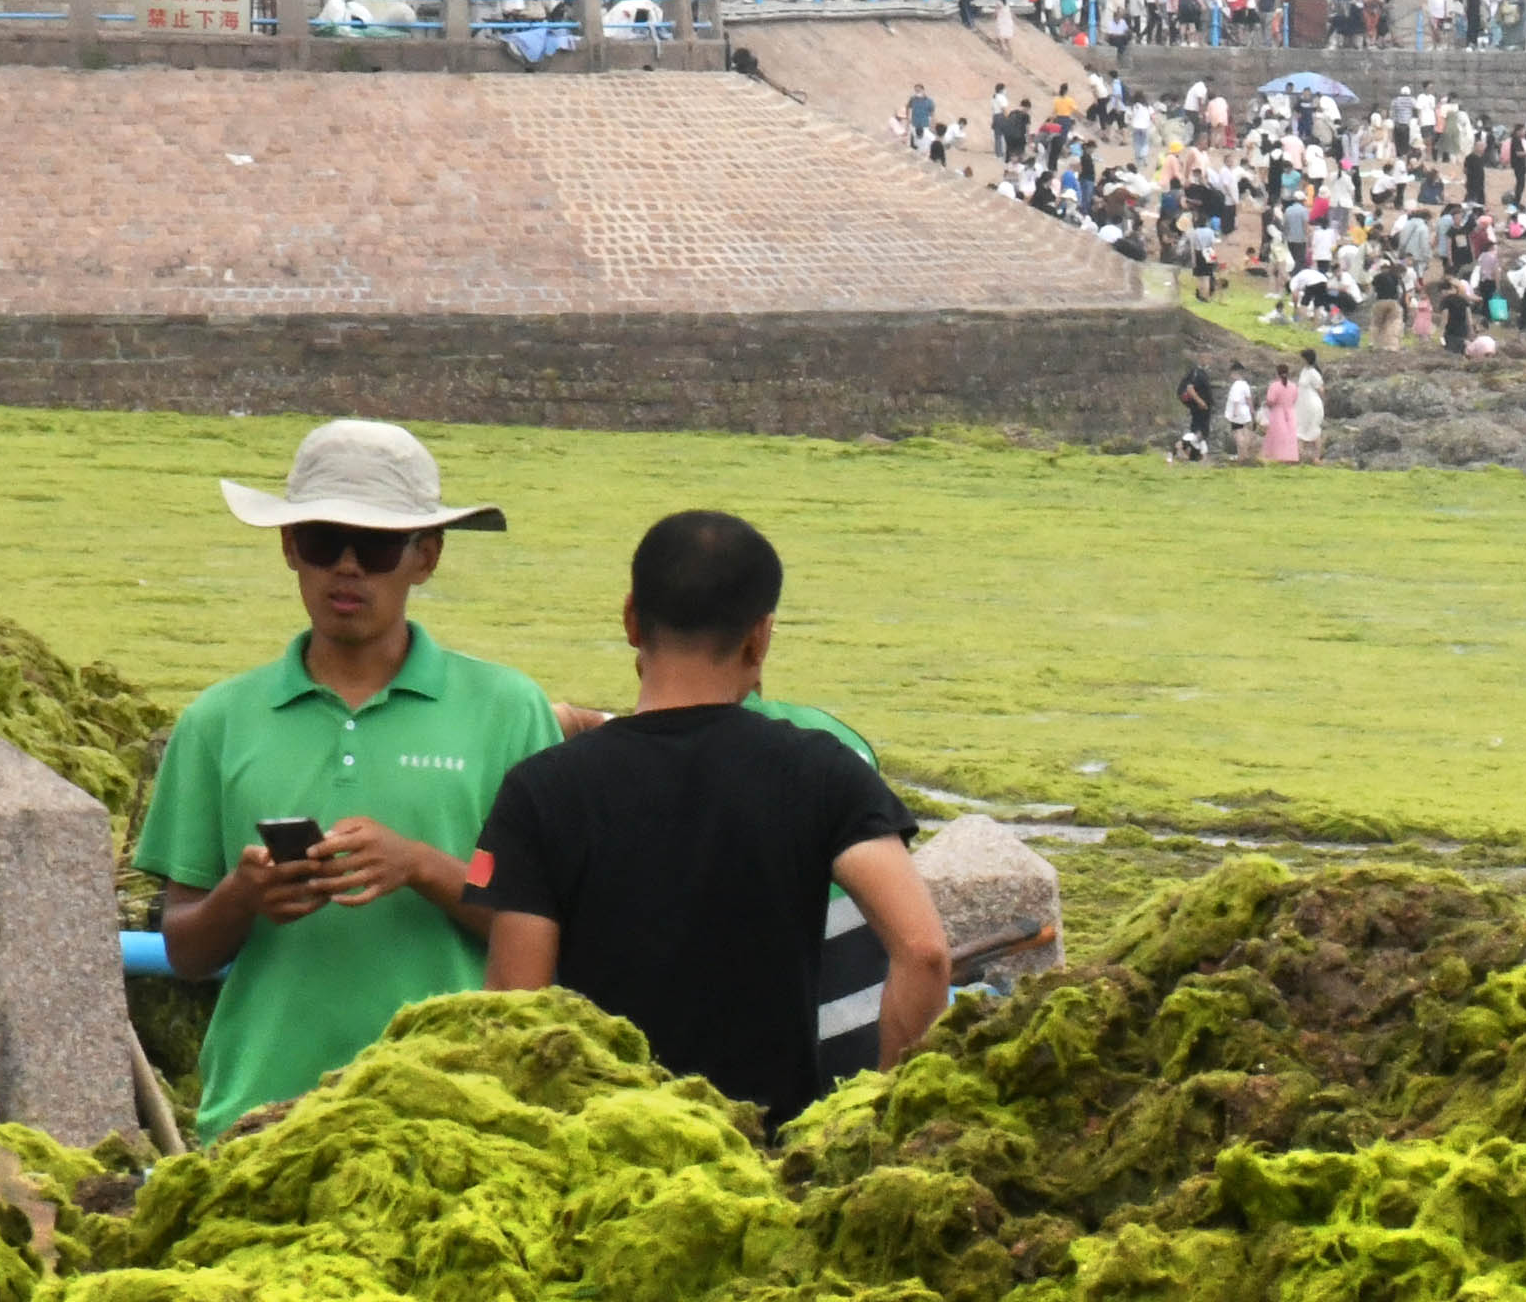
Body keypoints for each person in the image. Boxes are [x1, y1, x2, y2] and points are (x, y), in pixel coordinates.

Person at [134, 419, 563, 1138]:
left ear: (424, 557)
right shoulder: (217, 720)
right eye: (323, 541)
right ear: (289, 549)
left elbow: (550, 928)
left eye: (376, 545)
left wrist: (420, 865)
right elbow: (185, 948)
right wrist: (244, 894)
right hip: (259, 1114)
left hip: (454, 1114)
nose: (348, 568)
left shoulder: (508, 711)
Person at [477, 511, 949, 1122]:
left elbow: (518, 1010)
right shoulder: (821, 770)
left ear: (629, 619)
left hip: (602, 1153)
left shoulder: (542, 787)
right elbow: (926, 952)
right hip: (766, 1162)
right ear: (760, 636)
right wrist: (882, 1120)